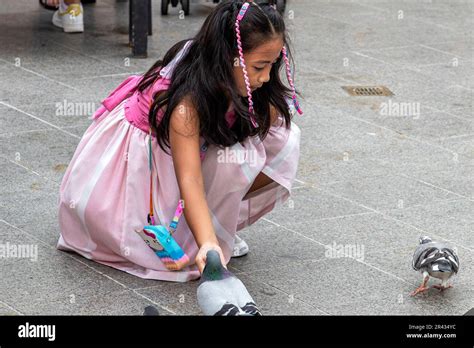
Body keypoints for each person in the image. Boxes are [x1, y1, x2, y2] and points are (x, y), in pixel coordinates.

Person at [57, 0, 303, 282]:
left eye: (273, 64)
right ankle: (205, 235)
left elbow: (270, 123)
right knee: (235, 161)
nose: (267, 76)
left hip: (187, 155)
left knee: (284, 139)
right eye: (260, 66)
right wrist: (209, 244)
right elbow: (190, 180)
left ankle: (213, 226)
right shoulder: (185, 105)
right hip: (138, 169)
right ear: (228, 58)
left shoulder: (236, 80)